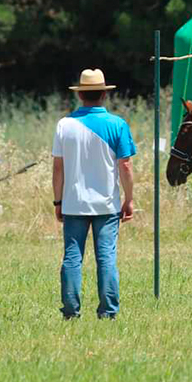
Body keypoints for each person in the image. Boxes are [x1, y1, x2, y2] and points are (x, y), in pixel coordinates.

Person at [52, 68, 136, 320]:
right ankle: (108, 311)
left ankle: (71, 311)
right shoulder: (117, 124)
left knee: (72, 258)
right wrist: (129, 198)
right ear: (104, 95)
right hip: (107, 204)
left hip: (74, 202)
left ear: (80, 95)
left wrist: (58, 200)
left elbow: (58, 167)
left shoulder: (64, 125)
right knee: (107, 258)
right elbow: (126, 165)